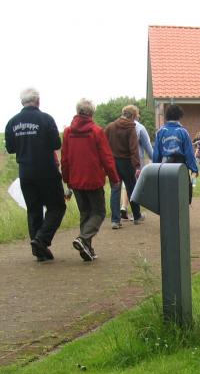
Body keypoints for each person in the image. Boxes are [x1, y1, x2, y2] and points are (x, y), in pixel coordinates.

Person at [4, 87, 66, 261]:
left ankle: (39, 251)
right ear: (38, 101)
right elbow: (56, 143)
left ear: (21, 101)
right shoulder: (46, 119)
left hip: (25, 172)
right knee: (57, 207)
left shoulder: (12, 122)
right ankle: (41, 239)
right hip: (46, 171)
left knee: (33, 210)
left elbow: (10, 148)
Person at [61, 98, 120, 261]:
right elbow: (106, 158)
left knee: (85, 213)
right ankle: (83, 239)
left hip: (75, 179)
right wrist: (114, 177)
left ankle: (86, 248)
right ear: (92, 113)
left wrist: (67, 178)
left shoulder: (68, 132)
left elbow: (64, 158)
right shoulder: (96, 131)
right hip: (93, 179)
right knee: (99, 212)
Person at [105, 105, 142, 228]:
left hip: (113, 163)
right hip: (127, 163)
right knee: (132, 189)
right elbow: (134, 149)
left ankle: (115, 220)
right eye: (136, 116)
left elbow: (104, 145)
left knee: (115, 190)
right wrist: (137, 166)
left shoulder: (110, 127)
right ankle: (137, 216)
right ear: (133, 116)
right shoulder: (131, 128)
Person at [153, 104, 199, 201]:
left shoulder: (160, 132)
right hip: (180, 166)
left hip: (165, 166)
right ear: (179, 116)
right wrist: (194, 169)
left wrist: (155, 168)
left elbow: (156, 153)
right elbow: (189, 153)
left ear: (167, 116)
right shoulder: (183, 132)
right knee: (182, 193)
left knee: (166, 194)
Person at [121, 112, 153, 221]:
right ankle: (137, 214)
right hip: (137, 160)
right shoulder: (140, 128)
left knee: (126, 184)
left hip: (121, 160)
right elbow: (148, 147)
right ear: (135, 115)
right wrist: (155, 159)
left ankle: (124, 207)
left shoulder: (117, 126)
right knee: (135, 185)